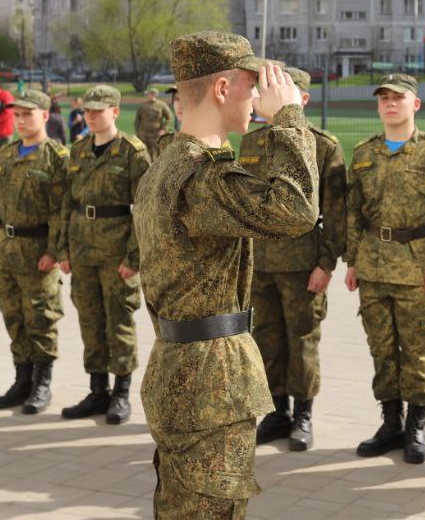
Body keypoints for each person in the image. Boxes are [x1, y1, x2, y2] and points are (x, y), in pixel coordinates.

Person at [133, 32, 318, 517]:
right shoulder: (200, 178)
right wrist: (289, 119)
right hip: (209, 379)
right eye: (251, 85)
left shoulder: (164, 167)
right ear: (221, 88)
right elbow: (296, 211)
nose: (258, 97)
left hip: (182, 366)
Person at [345, 73, 425, 465]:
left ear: (415, 105)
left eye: (399, 97)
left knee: (418, 350)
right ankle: (391, 422)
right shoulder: (363, 153)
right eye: (384, 98)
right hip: (373, 264)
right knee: (382, 350)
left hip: (416, 265)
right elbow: (353, 212)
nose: (390, 104)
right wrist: (353, 260)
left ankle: (416, 426)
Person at [244, 67, 346, 452]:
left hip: (303, 261)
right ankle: (276, 412)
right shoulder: (251, 142)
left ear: (303, 99)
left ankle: (303, 413)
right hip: (260, 261)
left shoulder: (323, 146)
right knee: (264, 339)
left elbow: (336, 213)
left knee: (301, 339)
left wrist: (326, 263)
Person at [59, 85, 150, 425]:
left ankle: (121, 393)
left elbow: (144, 210)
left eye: (100, 110)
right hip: (82, 248)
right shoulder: (79, 150)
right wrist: (63, 249)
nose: (93, 115)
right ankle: (98, 391)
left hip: (116, 250)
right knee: (90, 320)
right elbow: (67, 203)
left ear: (115, 111)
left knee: (119, 320)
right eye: (88, 110)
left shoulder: (132, 152)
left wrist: (134, 257)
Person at [0, 88, 69, 415]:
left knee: (41, 317)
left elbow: (62, 209)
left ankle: (42, 383)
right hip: (7, 249)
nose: (20, 120)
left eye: (27, 115)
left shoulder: (56, 157)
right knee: (13, 315)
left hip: (38, 252)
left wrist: (55, 250)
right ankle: (22, 380)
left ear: (44, 116)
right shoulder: (6, 154)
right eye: (16, 115)